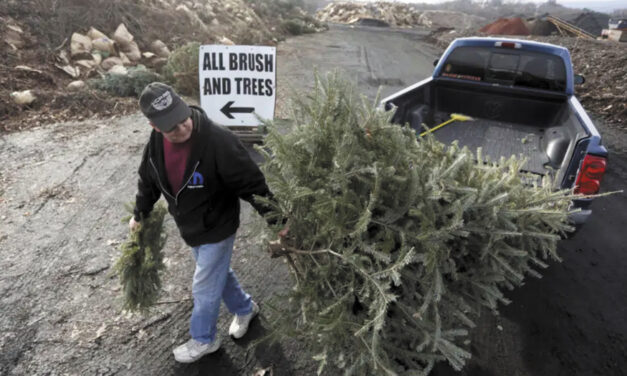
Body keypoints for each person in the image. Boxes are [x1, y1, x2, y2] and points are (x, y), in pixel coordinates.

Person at [131, 82, 277, 363]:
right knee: (217, 275)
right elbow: (147, 183)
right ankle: (245, 309)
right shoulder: (154, 147)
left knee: (204, 285)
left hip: (218, 225)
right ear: (154, 125)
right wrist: (139, 214)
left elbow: (252, 184)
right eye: (171, 126)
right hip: (191, 227)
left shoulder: (218, 141)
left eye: (182, 118)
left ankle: (204, 339)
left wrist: (277, 219)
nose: (182, 128)